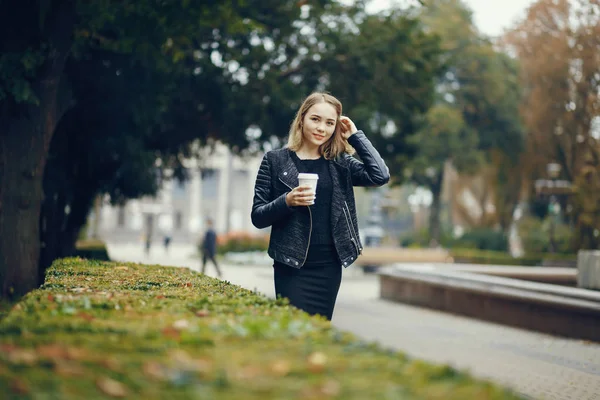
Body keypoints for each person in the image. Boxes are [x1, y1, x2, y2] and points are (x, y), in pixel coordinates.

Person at [251, 92, 389, 321]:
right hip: (291, 265)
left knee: (318, 332)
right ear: (302, 119)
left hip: (328, 267)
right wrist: (287, 201)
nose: (321, 128)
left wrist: (355, 137)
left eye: (329, 123)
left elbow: (380, 175)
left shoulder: (339, 162)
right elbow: (258, 216)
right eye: (315, 119)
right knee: (293, 329)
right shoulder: (275, 161)